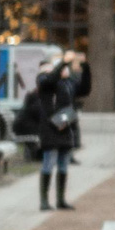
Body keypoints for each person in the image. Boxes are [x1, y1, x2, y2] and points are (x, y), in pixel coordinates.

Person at [15, 50, 90, 211]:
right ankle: (44, 200)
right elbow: (50, 79)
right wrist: (63, 62)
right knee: (49, 163)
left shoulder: (67, 83)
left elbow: (84, 88)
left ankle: (60, 199)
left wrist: (85, 66)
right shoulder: (44, 80)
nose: (65, 70)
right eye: (60, 67)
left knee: (63, 165)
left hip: (64, 126)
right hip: (50, 128)